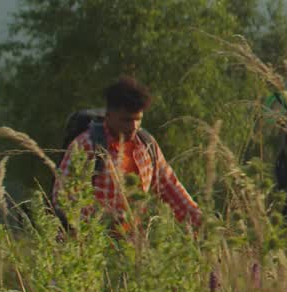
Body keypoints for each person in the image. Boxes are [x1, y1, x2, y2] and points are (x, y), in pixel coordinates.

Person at [53, 76, 202, 233]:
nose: (133, 126)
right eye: (126, 120)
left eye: (138, 120)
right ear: (108, 116)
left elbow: (171, 189)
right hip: (91, 248)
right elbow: (62, 198)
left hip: (130, 247)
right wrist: (103, 218)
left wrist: (205, 225)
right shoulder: (86, 145)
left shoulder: (146, 145)